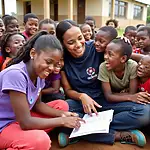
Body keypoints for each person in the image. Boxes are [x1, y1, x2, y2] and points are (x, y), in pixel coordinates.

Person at [56, 20, 149, 148]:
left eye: (80, 38)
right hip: (81, 104)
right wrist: (82, 96)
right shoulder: (62, 59)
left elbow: (120, 53)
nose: (78, 45)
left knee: (145, 112)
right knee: (60, 110)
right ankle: (120, 135)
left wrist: (122, 43)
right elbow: (67, 90)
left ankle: (75, 131)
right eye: (71, 43)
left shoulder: (95, 48)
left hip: (106, 100)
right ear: (62, 44)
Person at [0, 30, 84, 150]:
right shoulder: (16, 74)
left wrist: (62, 114)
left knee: (61, 106)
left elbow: (37, 104)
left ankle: (23, 140)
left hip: (19, 120)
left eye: (55, 64)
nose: (51, 68)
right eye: (48, 62)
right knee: (41, 141)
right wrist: (62, 121)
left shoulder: (39, 75)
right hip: (4, 126)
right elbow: (25, 122)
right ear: (33, 53)